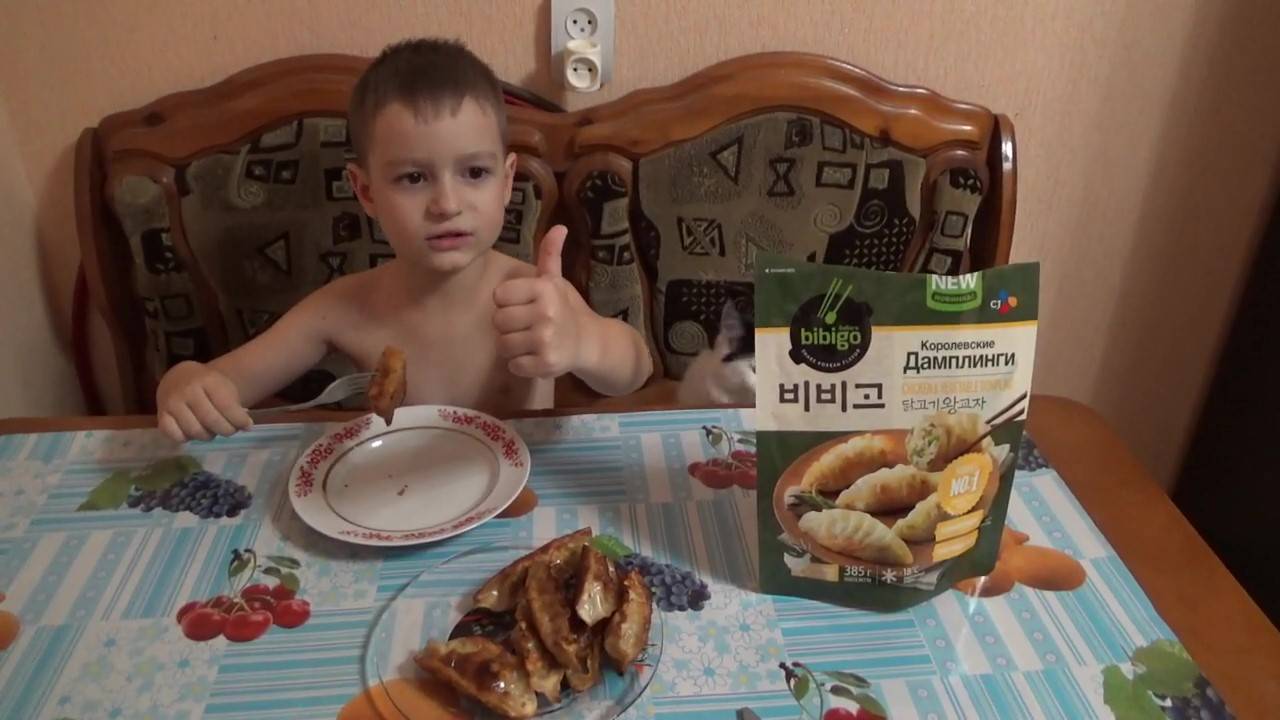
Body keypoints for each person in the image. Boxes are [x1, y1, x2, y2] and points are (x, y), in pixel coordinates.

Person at [155, 38, 653, 442]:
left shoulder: (534, 296)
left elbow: (635, 367)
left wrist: (583, 341)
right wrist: (182, 385)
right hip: (395, 503)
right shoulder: (341, 307)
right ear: (366, 192)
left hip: (518, 507)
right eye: (413, 178)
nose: (447, 204)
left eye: (474, 172)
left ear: (506, 182)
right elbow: (223, 382)